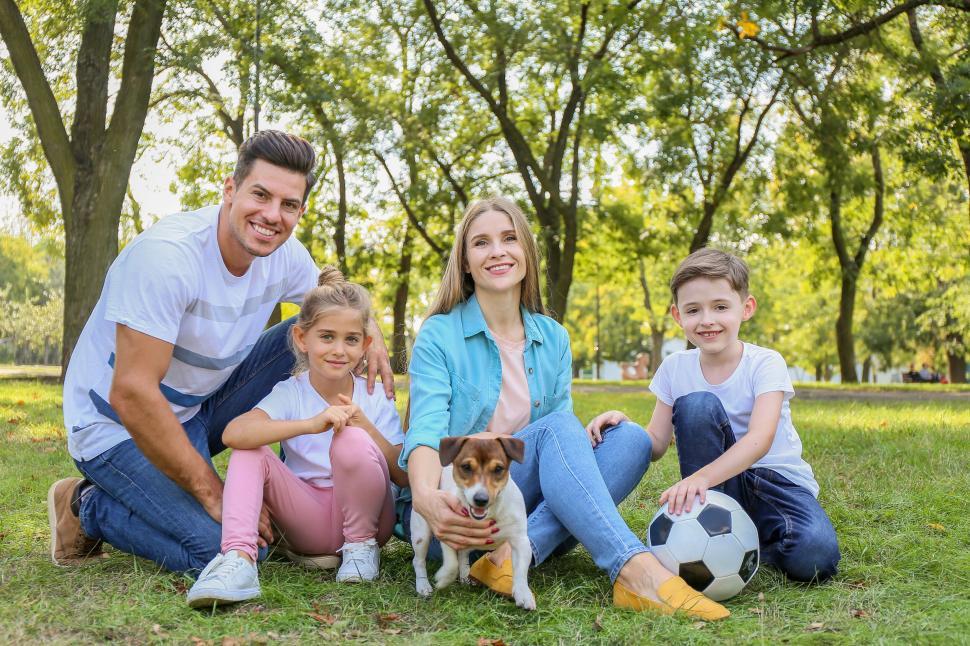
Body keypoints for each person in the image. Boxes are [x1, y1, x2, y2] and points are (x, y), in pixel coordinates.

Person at [49, 130, 394, 574]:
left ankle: (301, 483)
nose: (272, 216)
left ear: (300, 211)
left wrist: (370, 330)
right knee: (226, 545)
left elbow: (333, 301)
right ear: (230, 190)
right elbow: (132, 395)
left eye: (288, 205)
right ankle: (85, 505)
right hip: (116, 427)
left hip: (199, 406)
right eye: (260, 195)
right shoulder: (167, 259)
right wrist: (213, 491)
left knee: (314, 328)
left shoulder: (283, 253)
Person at [398, 197, 729, 620]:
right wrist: (427, 498)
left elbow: (555, 443)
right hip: (461, 505)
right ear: (464, 261)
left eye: (510, 239)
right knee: (559, 427)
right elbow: (425, 432)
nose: (497, 250)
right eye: (481, 243)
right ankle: (635, 569)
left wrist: (584, 432)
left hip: (516, 497)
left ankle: (510, 558)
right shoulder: (439, 334)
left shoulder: (552, 337)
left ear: (527, 254)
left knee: (629, 438)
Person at [588, 248, 840, 583]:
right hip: (715, 491)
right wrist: (624, 425)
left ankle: (751, 544)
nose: (707, 319)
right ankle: (712, 532)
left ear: (745, 308)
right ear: (678, 316)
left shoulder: (765, 363)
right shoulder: (675, 368)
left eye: (720, 307)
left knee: (815, 558)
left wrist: (700, 478)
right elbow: (657, 443)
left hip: (775, 482)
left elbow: (760, 439)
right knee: (696, 405)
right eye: (694, 310)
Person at [186, 266, 406, 607]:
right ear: (303, 339)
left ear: (365, 346)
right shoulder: (291, 392)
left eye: (350, 340)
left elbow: (403, 475)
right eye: (327, 336)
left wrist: (366, 428)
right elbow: (234, 433)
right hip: (310, 520)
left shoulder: (374, 395)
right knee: (250, 449)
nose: (338, 349)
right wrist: (310, 424)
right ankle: (238, 560)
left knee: (350, 438)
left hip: (372, 522)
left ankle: (360, 552)